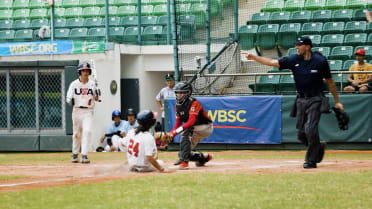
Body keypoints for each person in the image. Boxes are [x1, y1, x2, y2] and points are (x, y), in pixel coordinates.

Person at [246, 37, 344, 169]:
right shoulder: (293, 60)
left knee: (310, 128)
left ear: (308, 47)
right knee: (301, 133)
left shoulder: (320, 61)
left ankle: (310, 160)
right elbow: (272, 62)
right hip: (301, 99)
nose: (297, 47)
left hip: (316, 98)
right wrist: (255, 57)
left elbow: (330, 82)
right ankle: (318, 147)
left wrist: (337, 101)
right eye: (296, 45)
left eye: (300, 45)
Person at [166, 82, 213, 169]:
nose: (179, 95)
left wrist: (174, 133)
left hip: (205, 126)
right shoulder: (177, 105)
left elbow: (191, 122)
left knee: (186, 131)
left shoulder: (194, 103)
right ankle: (204, 158)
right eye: (177, 92)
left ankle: (184, 163)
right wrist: (170, 134)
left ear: (188, 93)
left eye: (182, 92)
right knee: (183, 152)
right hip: (195, 128)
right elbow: (178, 124)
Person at [66, 62, 100, 164]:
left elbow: (97, 99)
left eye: (87, 71)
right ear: (80, 72)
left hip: (88, 111)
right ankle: (75, 154)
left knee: (87, 131)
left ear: (89, 72)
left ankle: (84, 155)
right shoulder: (74, 84)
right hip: (77, 110)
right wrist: (70, 101)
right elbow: (68, 98)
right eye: (83, 71)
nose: (85, 72)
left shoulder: (93, 84)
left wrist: (98, 93)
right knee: (76, 134)